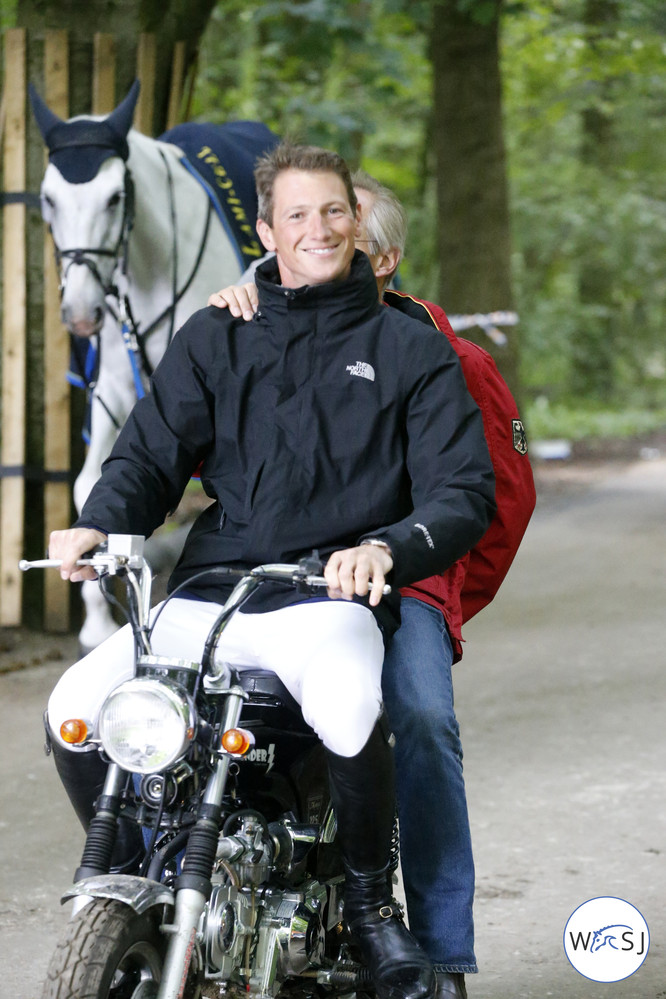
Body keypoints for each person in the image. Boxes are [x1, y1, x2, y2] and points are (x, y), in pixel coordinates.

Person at [47, 143, 497, 999]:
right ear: (266, 229)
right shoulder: (219, 330)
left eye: (333, 211)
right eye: (297, 214)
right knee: (72, 707)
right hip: (213, 590)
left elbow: (464, 489)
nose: (318, 228)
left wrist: (387, 548)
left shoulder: (412, 348)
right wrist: (101, 524)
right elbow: (149, 456)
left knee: (356, 705)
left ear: (357, 222)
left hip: (330, 595)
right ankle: (149, 878)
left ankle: (372, 910)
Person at [208, 169, 536, 999]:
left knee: (423, 720)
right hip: (277, 575)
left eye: (340, 233)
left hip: (405, 584)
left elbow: (498, 502)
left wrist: (442, 594)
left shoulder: (450, 359)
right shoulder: (250, 324)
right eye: (301, 229)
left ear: (382, 256)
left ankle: (439, 951)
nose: (317, 246)